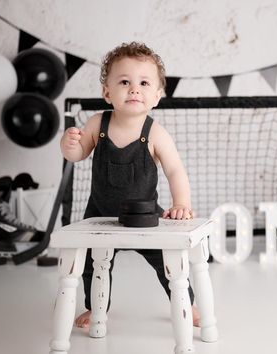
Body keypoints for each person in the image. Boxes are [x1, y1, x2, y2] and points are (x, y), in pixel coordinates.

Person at [60, 42, 200, 328]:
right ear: (107, 92)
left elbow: (175, 170)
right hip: (100, 214)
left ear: (157, 95)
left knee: (167, 262)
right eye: (124, 81)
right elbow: (77, 154)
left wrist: (181, 203)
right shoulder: (97, 123)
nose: (134, 89)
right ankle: (96, 307)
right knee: (91, 264)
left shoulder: (156, 133)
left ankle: (187, 303)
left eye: (144, 82)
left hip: (145, 215)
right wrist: (68, 145)